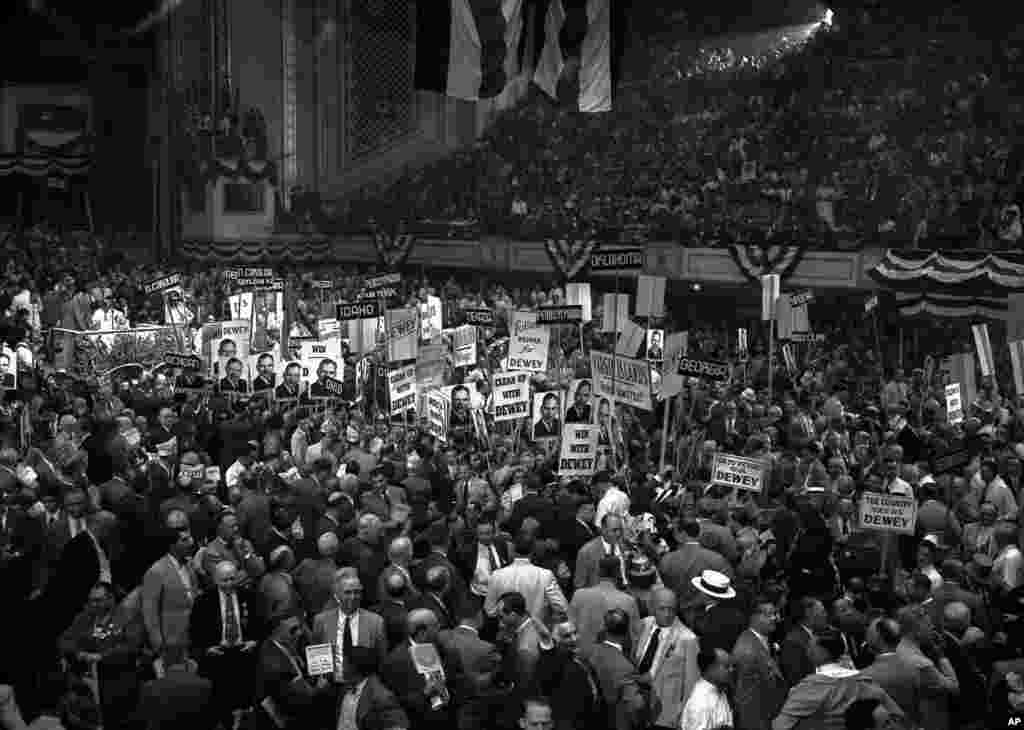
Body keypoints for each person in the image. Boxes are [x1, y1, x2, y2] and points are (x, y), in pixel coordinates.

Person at [772, 628, 905, 730]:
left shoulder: (808, 688)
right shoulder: (866, 682)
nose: (807, 650)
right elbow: (897, 717)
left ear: (820, 652)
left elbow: (779, 726)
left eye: (810, 646)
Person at [678, 647, 734, 730]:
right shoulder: (701, 702)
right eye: (726, 666)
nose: (731, 670)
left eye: (732, 666)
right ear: (711, 668)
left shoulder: (718, 690)